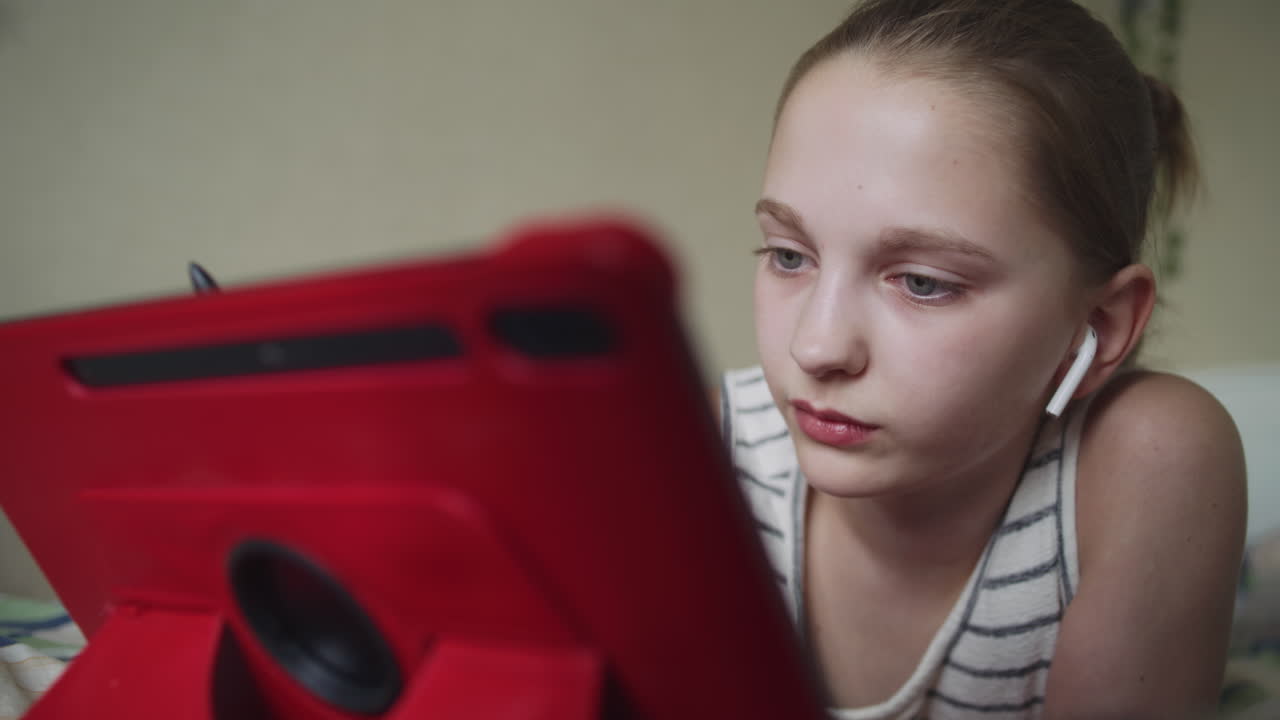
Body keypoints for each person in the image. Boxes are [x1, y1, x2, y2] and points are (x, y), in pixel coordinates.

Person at [718, 1, 1247, 717]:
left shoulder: (1147, 453)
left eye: (924, 283)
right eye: (789, 256)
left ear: (1097, 324)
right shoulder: (705, 451)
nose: (815, 347)